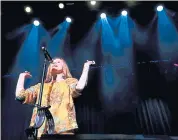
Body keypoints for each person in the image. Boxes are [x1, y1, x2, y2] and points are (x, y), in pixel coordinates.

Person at [15, 57, 95, 138]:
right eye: (53, 62)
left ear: (64, 67)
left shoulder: (69, 82)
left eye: (58, 62)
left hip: (62, 127)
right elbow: (20, 96)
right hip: (40, 128)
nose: (54, 63)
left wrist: (86, 67)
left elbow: (79, 87)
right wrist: (21, 77)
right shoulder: (41, 86)